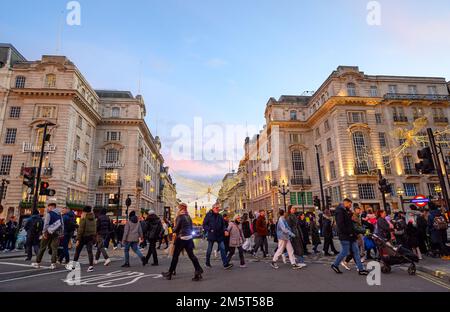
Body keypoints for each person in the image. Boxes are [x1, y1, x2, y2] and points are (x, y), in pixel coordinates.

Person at [162, 203, 203, 281]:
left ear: (180, 209)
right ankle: (198, 269)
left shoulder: (180, 217)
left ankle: (170, 273)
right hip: (189, 238)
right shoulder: (188, 217)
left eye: (178, 208)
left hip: (181, 238)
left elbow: (176, 229)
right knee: (191, 255)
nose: (177, 209)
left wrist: (170, 228)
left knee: (175, 256)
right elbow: (191, 228)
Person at [331, 198, 368, 275]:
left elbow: (350, 223)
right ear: (345, 203)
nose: (350, 206)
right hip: (345, 236)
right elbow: (341, 225)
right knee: (344, 251)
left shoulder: (346, 211)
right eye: (349, 204)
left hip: (351, 235)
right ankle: (335, 264)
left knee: (356, 252)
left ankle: (361, 269)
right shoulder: (340, 211)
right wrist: (349, 232)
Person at [32, 203, 64, 269]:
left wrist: (44, 232)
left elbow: (46, 224)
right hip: (56, 233)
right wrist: (61, 233)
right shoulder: (59, 215)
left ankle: (38, 262)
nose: (47, 208)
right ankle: (53, 264)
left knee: (42, 247)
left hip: (48, 232)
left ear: (52, 207)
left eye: (48, 207)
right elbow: (62, 224)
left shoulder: (49, 214)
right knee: (54, 248)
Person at [66, 206, 96, 272]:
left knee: (77, 251)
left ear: (84, 212)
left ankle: (73, 266)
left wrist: (78, 239)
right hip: (91, 237)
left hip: (83, 237)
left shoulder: (84, 218)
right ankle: (91, 266)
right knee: (90, 251)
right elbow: (95, 229)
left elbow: (80, 230)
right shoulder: (93, 218)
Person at [203, 204, 231, 269]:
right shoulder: (208, 215)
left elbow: (223, 225)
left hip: (219, 235)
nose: (217, 209)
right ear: (213, 208)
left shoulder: (220, 216)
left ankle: (225, 264)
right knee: (209, 250)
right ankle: (207, 263)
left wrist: (225, 230)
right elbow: (204, 225)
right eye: (216, 208)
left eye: (218, 208)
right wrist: (210, 229)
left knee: (223, 249)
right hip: (212, 235)